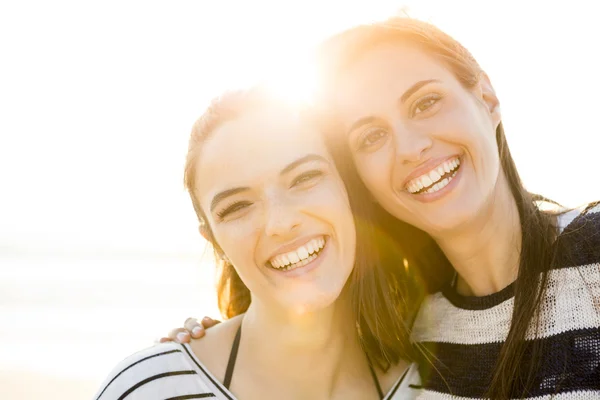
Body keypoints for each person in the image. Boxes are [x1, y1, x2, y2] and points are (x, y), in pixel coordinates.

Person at [162, 18, 600, 399]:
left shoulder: (592, 258)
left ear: (486, 98)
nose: (411, 148)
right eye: (371, 136)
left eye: (426, 102)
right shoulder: (409, 333)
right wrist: (196, 359)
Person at [93, 87, 417, 400]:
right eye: (236, 207)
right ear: (217, 245)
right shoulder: (148, 390)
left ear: (349, 191)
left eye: (304, 178)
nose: (280, 223)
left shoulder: (434, 383)